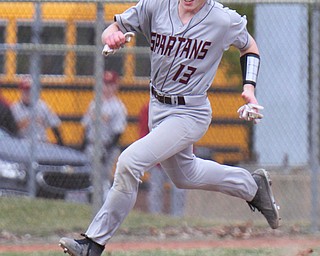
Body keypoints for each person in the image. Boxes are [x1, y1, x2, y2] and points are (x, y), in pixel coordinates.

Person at [59, 1, 280, 255]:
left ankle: (93, 243)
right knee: (186, 175)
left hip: (190, 112)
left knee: (130, 162)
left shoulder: (221, 19)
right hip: (158, 106)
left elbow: (249, 46)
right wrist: (111, 34)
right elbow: (114, 27)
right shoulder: (156, 6)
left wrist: (249, 87)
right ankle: (252, 187)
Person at [81, 70, 127, 197]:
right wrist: (83, 145)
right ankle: (90, 204)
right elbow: (86, 127)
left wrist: (106, 151)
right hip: (91, 145)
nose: (107, 87)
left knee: (104, 180)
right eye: (105, 84)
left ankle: (105, 204)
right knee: (89, 178)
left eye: (111, 84)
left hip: (107, 146)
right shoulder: (94, 103)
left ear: (116, 86)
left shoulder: (118, 106)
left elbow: (118, 133)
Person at [139, 102, 186, 216]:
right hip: (157, 159)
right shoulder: (149, 108)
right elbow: (143, 133)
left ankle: (177, 218)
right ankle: (155, 217)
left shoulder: (180, 107)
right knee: (156, 190)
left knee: (179, 190)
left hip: (176, 158)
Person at [11, 76, 63, 145]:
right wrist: (24, 122)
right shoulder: (14, 108)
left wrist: (60, 143)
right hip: (21, 144)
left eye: (30, 90)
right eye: (25, 90)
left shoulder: (42, 106)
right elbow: (9, 130)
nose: (28, 93)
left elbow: (55, 125)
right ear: (21, 91)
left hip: (41, 143)